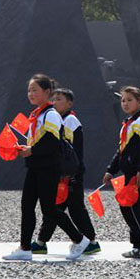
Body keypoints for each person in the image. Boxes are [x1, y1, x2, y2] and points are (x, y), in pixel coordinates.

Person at [3, 74, 90, 261]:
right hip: (35, 167)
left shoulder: (50, 114)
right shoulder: (37, 115)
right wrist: (26, 149)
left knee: (49, 209)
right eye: (29, 90)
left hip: (49, 168)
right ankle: (25, 247)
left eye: (35, 90)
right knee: (27, 206)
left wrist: (31, 150)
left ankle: (80, 239)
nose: (30, 94)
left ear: (47, 92)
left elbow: (52, 142)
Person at [34, 87, 100, 255]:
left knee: (75, 208)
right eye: (53, 99)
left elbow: (73, 151)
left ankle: (91, 241)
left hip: (71, 173)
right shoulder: (58, 119)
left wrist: (71, 173)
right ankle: (41, 242)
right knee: (54, 207)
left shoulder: (70, 121)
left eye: (59, 99)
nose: (55, 102)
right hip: (61, 172)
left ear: (70, 103)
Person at [103, 86, 140, 258]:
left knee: (133, 207)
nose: (125, 103)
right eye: (123, 100)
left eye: (129, 100)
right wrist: (111, 169)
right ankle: (136, 244)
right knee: (128, 207)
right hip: (129, 173)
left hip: (138, 174)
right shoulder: (128, 123)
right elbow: (121, 151)